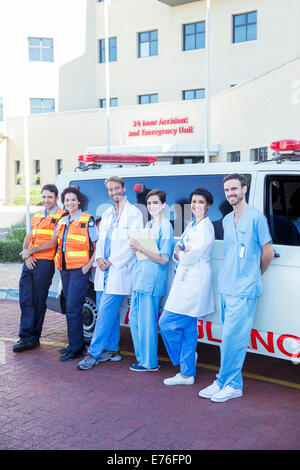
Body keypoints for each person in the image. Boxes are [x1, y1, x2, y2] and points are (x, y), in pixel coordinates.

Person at [199, 174, 274, 402]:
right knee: (226, 338)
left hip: (243, 289)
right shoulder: (227, 219)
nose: (230, 193)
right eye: (227, 190)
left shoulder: (256, 218)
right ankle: (223, 380)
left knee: (234, 339)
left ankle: (233, 384)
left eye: (234, 189)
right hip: (226, 287)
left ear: (244, 189)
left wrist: (252, 276)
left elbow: (267, 253)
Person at [77, 176, 143, 370]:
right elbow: (100, 240)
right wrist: (98, 259)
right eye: (111, 190)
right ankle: (111, 350)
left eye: (117, 188)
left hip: (118, 270)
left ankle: (93, 352)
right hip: (103, 271)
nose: (114, 192)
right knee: (110, 314)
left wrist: (111, 261)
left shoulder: (134, 214)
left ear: (124, 189)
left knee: (105, 313)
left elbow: (134, 244)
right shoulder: (106, 213)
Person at [159, 188, 215, 385]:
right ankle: (187, 373)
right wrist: (180, 251)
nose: (196, 205)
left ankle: (186, 361)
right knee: (189, 329)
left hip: (194, 282)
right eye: (194, 202)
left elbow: (189, 256)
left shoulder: (206, 227)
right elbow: (180, 248)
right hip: (186, 278)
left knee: (166, 322)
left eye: (201, 202)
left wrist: (181, 252)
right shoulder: (193, 224)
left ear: (208, 205)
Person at [13, 184, 66, 353]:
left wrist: (31, 252)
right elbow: (28, 238)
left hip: (44, 263)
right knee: (25, 298)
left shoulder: (61, 216)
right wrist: (27, 255)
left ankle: (32, 338)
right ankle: (25, 336)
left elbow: (53, 242)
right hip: (30, 261)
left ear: (56, 198)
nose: (46, 200)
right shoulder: (36, 216)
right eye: (43, 197)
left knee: (37, 300)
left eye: (49, 197)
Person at [128, 189, 174, 372]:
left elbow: (163, 259)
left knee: (147, 323)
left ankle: (150, 362)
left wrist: (142, 248)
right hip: (140, 278)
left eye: (156, 203)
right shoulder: (148, 225)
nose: (152, 206)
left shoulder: (166, 227)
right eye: (149, 203)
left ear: (163, 205)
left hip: (152, 280)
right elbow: (144, 252)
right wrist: (136, 247)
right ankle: (141, 358)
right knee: (135, 320)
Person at [53, 186, 98, 361]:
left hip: (80, 270)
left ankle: (77, 348)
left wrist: (89, 265)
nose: (70, 203)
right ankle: (74, 344)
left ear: (79, 202)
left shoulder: (88, 220)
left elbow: (97, 244)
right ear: (63, 203)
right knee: (70, 308)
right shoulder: (63, 220)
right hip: (65, 269)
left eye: (73, 200)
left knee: (73, 307)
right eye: (67, 200)